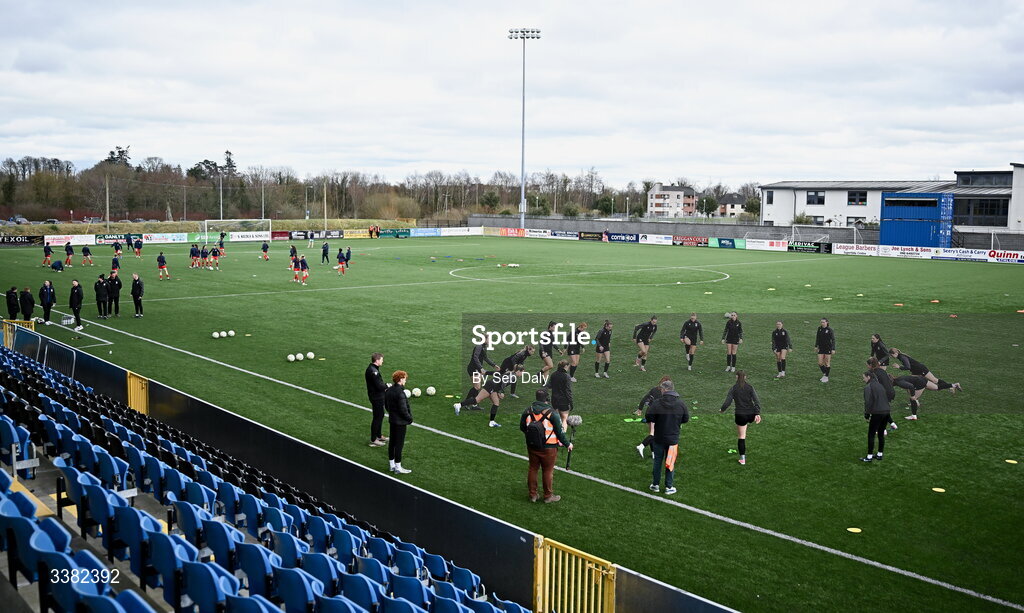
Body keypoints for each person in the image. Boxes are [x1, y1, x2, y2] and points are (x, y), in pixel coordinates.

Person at [520, 388, 572, 503]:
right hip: (549, 448)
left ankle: (533, 495)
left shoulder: (528, 410)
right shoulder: (552, 413)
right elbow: (560, 432)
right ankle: (548, 496)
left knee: (533, 468)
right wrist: (567, 444)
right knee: (547, 471)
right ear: (547, 399)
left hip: (532, 446)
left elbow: (522, 427)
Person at [645, 380, 689, 495]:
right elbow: (686, 419)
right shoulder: (681, 404)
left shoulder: (657, 403)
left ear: (664, 390)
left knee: (657, 461)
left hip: (659, 437)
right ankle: (669, 486)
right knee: (670, 462)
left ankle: (655, 484)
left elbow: (649, 417)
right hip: (673, 438)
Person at [719, 370, 762, 465]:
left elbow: (727, 402)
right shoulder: (750, 388)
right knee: (745, 430)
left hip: (740, 415)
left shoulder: (734, 388)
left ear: (736, 377)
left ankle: (742, 459)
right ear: (745, 377)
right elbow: (756, 401)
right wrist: (757, 413)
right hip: (751, 415)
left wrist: (722, 410)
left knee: (741, 437)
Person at [888, 348, 960, 393]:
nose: (891, 357)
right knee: (911, 382)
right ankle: (914, 399)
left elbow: (908, 367)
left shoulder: (902, 357)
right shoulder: (900, 357)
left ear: (895, 353)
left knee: (934, 380)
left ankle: (952, 385)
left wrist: (899, 367)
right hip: (915, 370)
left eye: (891, 355)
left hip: (920, 369)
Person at [635, 375, 672, 457]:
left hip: (649, 412)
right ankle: (641, 446)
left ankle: (653, 453)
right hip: (656, 414)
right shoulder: (665, 393)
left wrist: (640, 409)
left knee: (652, 433)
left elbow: (645, 398)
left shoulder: (654, 389)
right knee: (655, 434)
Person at [384, 370, 413, 474]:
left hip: (392, 420)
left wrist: (393, 414)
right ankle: (398, 467)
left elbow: (386, 406)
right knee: (399, 444)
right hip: (400, 422)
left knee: (392, 443)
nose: (406, 380)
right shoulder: (400, 392)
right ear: (400, 379)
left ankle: (392, 465)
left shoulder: (389, 390)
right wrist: (409, 418)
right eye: (405, 378)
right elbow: (403, 409)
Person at [456, 342, 498, 412]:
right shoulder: (479, 346)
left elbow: (485, 358)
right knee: (477, 387)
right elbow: (475, 357)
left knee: (476, 387)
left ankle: (473, 404)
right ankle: (468, 404)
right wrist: (480, 367)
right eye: (488, 338)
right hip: (474, 369)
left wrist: (493, 365)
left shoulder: (484, 347)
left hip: (477, 369)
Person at [861, 371, 890, 462]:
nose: (863, 379)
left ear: (868, 377)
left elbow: (868, 402)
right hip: (886, 412)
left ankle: (869, 456)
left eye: (864, 377)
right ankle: (879, 454)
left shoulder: (868, 387)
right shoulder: (880, 385)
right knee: (881, 434)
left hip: (877, 413)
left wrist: (867, 414)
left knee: (871, 434)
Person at [867, 357, 897, 433]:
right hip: (891, 392)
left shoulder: (873, 373)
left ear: (870, 365)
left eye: (867, 365)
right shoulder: (881, 370)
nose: (867, 366)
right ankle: (893, 424)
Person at [365, 353, 388, 447]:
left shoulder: (373, 369)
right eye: (382, 359)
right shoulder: (373, 372)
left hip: (377, 396)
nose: (382, 361)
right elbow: (379, 386)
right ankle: (374, 439)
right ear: (377, 360)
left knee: (380, 415)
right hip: (376, 397)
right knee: (377, 417)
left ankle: (378, 436)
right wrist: (388, 386)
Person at [549, 360, 573, 427]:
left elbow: (549, 385)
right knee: (564, 420)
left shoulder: (553, 374)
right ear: (565, 366)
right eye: (568, 367)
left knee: (556, 419)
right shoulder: (566, 376)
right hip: (563, 401)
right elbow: (568, 391)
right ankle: (562, 435)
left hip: (554, 400)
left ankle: (555, 434)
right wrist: (571, 403)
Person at [815, 318, 836, 383]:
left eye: (823, 322)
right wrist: (816, 346)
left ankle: (826, 377)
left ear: (827, 322)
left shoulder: (830, 330)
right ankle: (825, 373)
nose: (822, 323)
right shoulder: (819, 328)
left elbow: (833, 340)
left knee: (827, 363)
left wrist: (833, 349)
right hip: (821, 348)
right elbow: (817, 337)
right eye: (821, 322)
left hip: (828, 348)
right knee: (820, 363)